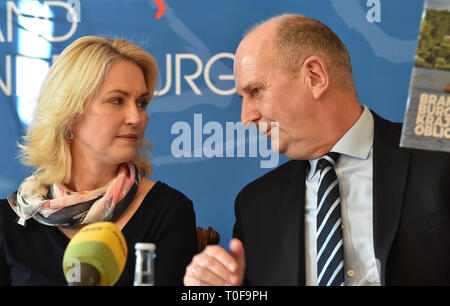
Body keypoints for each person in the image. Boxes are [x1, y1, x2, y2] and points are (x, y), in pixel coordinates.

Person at [184, 14, 450, 286]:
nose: (246, 116)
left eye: (256, 91)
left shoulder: (437, 158)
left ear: (315, 76)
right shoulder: (255, 205)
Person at [0, 36, 198, 285]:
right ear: (70, 112)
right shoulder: (9, 221)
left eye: (141, 103)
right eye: (117, 100)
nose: (136, 117)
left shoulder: (169, 210)